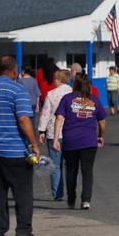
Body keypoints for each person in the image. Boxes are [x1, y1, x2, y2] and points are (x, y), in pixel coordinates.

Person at [0, 56, 40, 236]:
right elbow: (24, 120)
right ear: (14, 72)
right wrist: (34, 144)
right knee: (23, 192)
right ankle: (24, 230)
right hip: (15, 151)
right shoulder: (18, 90)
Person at [53, 73, 107, 210]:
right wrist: (101, 135)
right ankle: (86, 200)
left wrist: (55, 139)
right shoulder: (94, 100)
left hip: (70, 140)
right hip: (89, 141)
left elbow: (59, 118)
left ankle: (71, 197)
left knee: (71, 170)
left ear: (74, 84)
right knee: (87, 171)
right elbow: (102, 121)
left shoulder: (67, 99)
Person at [38, 69, 72, 202]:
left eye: (54, 79)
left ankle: (57, 193)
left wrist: (41, 131)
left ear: (59, 80)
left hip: (53, 132)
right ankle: (71, 192)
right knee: (70, 164)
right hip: (70, 131)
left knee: (55, 164)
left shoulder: (51, 94)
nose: (53, 82)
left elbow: (45, 113)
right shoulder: (73, 92)